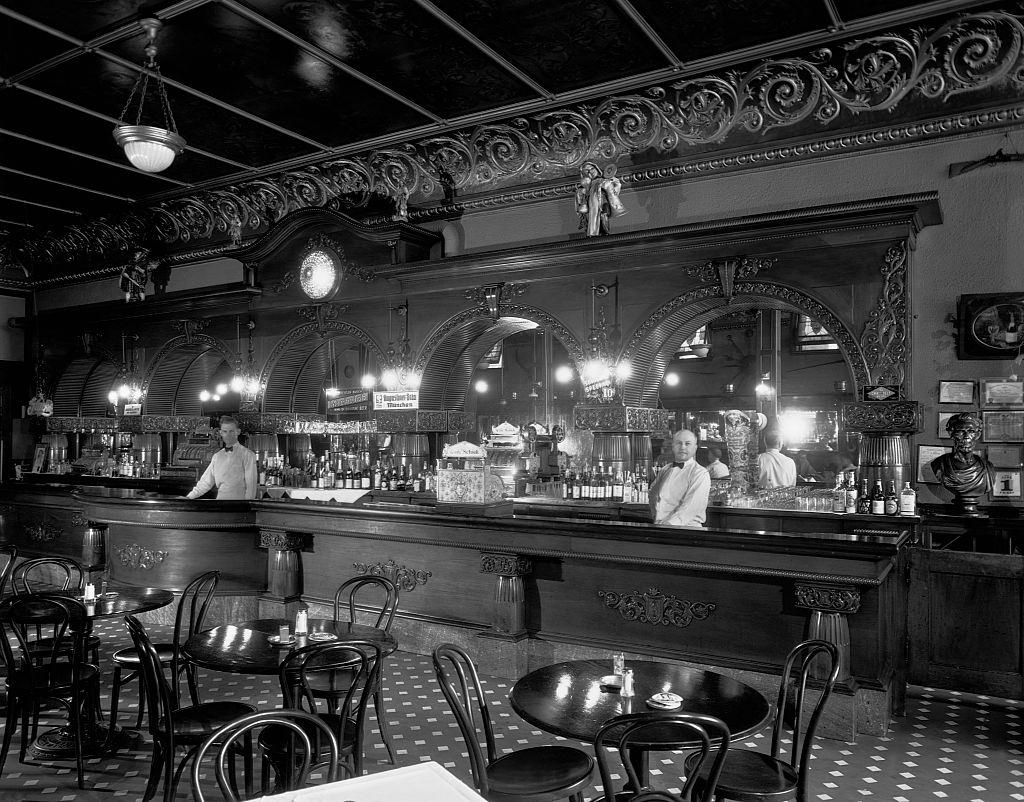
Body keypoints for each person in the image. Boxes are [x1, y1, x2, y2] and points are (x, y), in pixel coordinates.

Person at [930, 412, 992, 515]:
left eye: (971, 431)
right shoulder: (939, 464)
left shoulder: (987, 468)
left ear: (978, 434)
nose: (966, 436)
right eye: (960, 431)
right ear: (951, 434)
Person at [648, 429, 711, 527]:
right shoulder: (665, 469)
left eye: (688, 443)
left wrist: (668, 524)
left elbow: (691, 507)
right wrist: (656, 518)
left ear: (695, 448)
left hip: (687, 530)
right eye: (679, 443)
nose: (683, 447)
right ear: (673, 446)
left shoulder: (700, 473)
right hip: (662, 528)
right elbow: (652, 494)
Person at [186, 416, 258, 500]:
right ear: (220, 433)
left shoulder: (248, 455)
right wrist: (188, 498)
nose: (228, 435)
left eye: (231, 431)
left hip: (239, 505)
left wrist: (247, 508)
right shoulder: (217, 457)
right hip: (220, 504)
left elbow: (251, 487)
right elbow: (205, 483)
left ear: (238, 432)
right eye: (225, 431)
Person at [575, 161, 626, 236]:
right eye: (587, 172)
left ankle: (605, 231)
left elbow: (617, 185)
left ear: (596, 168)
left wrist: (609, 185)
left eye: (592, 169)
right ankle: (597, 233)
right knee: (594, 218)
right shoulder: (588, 185)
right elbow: (581, 198)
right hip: (593, 204)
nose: (590, 172)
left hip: (604, 200)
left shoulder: (605, 179)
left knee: (604, 214)